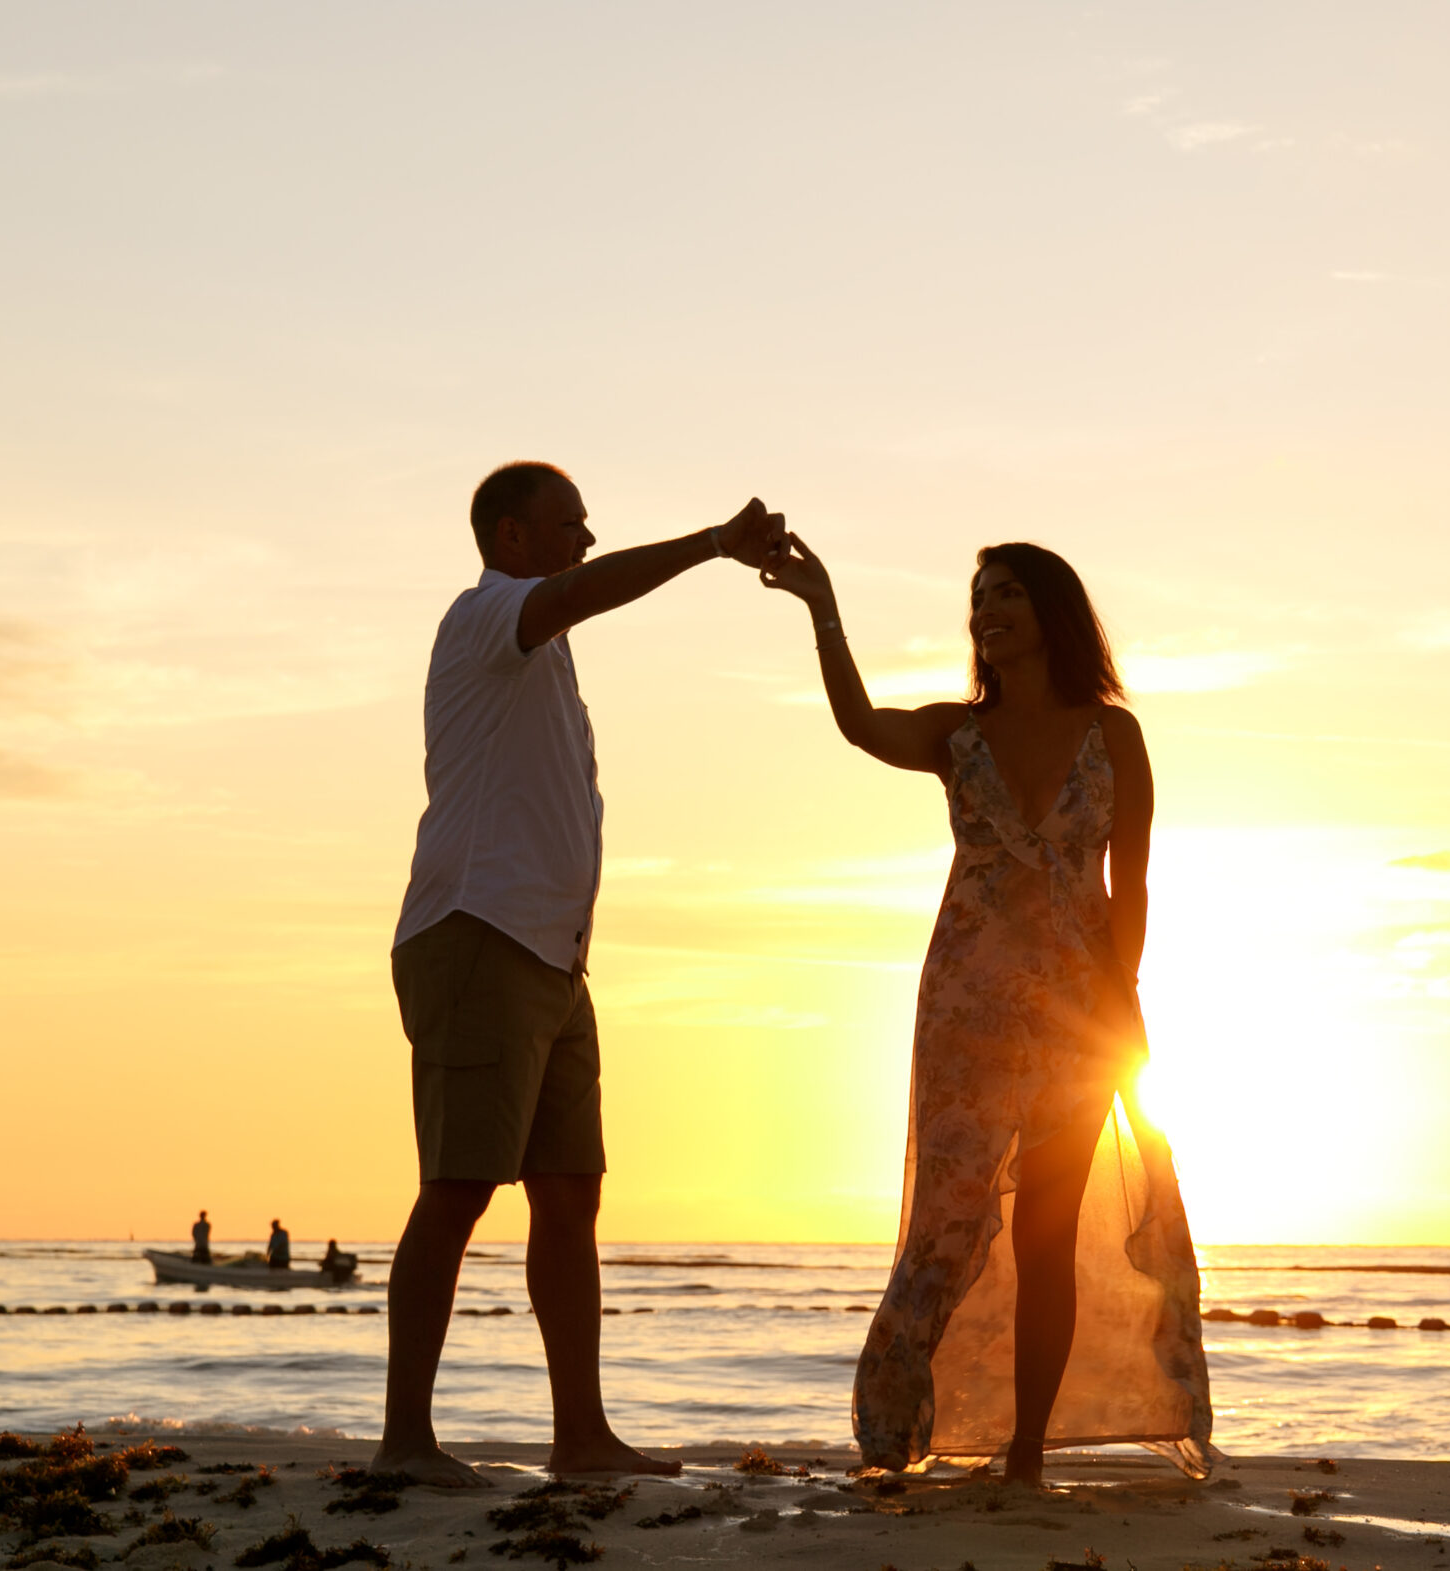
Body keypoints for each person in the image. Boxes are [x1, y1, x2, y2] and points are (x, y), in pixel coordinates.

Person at [761, 534, 1213, 1484]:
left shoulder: (1113, 733)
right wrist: (822, 604)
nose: (985, 611)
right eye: (978, 600)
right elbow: (857, 724)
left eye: (1005, 593)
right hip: (967, 1012)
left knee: (1049, 1234)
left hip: (1079, 1016)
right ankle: (893, 1429)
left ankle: (1028, 1452)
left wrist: (1122, 1006)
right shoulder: (953, 735)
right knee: (947, 1222)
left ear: (1051, 612)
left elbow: (1130, 885)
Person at [374, 461, 784, 1489]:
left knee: (569, 1192)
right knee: (459, 1189)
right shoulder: (490, 614)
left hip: (552, 957)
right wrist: (709, 544)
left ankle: (582, 1437)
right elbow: (576, 594)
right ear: (513, 537)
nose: (588, 539)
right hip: (476, 933)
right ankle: (405, 1444)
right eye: (572, 523)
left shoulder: (540, 651)